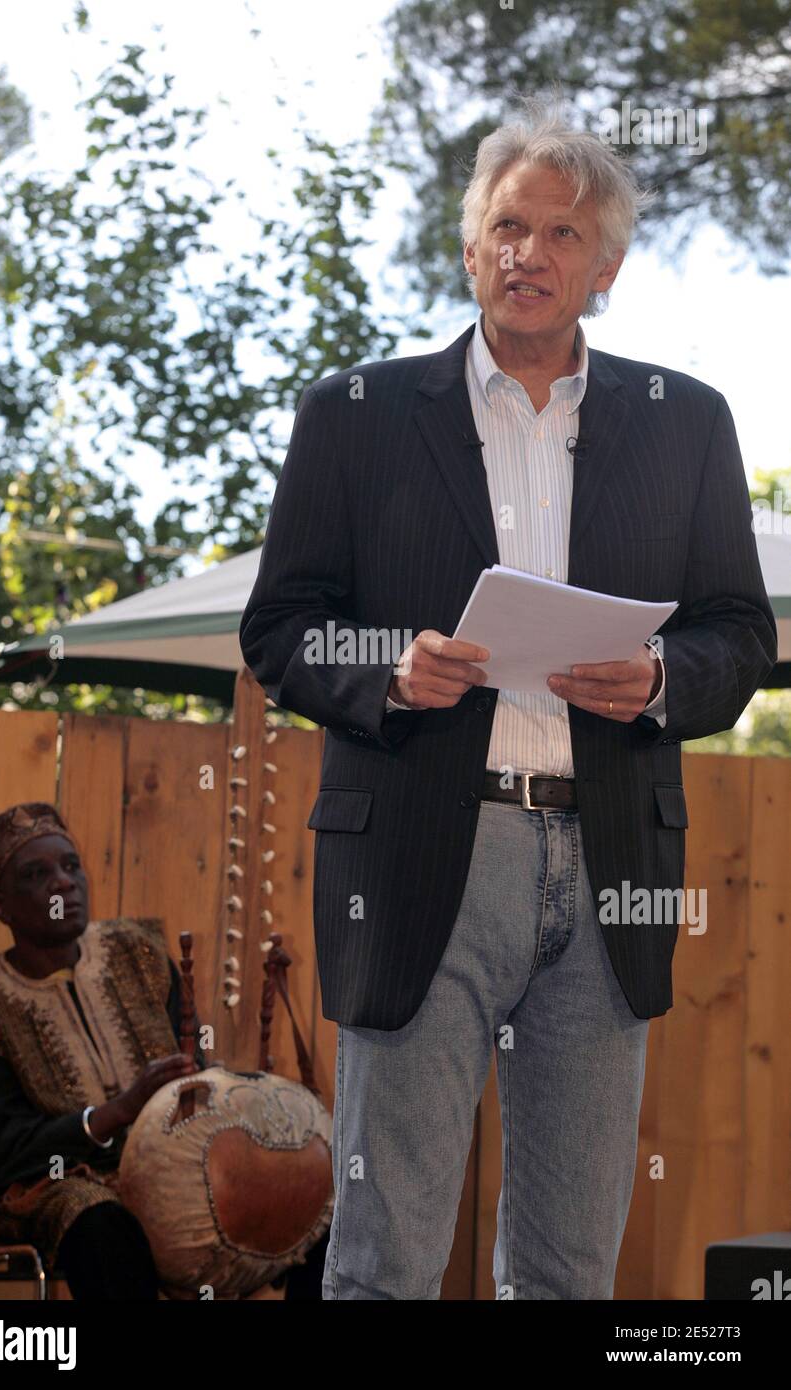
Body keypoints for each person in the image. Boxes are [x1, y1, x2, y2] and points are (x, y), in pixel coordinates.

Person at [238, 101, 778, 1300]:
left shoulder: (685, 423)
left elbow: (739, 633)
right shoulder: (354, 416)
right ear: (469, 247)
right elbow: (278, 626)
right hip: (430, 848)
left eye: (560, 233)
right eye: (506, 226)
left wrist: (655, 678)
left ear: (606, 267)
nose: (529, 252)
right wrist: (387, 667)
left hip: (610, 858)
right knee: (382, 1258)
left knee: (567, 1269)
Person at [0, 802, 327, 1300]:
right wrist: (115, 1113)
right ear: (1, 905)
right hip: (51, 1186)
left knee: (312, 1198)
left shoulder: (137, 952)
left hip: (175, 1164)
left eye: (71, 866)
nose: (64, 883)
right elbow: (0, 1156)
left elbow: (197, 1076)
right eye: (37, 874)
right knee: (101, 1220)